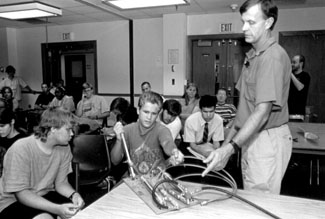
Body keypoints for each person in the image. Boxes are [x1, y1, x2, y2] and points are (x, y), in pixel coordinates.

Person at [203, 0, 292, 195]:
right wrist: (225, 149)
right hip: (251, 135)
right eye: (243, 21)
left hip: (267, 137)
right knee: (251, 193)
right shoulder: (252, 56)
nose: (244, 28)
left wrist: (228, 150)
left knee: (261, 200)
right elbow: (243, 111)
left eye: (251, 22)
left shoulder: (272, 57)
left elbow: (262, 113)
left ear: (268, 23)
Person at [0, 108, 84, 218]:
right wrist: (57, 209)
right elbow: (22, 194)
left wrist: (74, 195)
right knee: (45, 217)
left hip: (44, 195)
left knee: (77, 214)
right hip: (12, 202)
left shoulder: (64, 148)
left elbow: (61, 183)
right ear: (53, 128)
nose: (72, 134)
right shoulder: (21, 148)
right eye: (68, 130)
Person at [110, 91, 184, 175]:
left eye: (153, 113)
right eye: (146, 112)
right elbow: (115, 161)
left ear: (158, 114)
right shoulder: (127, 130)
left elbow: (167, 143)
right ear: (138, 110)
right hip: (135, 178)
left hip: (157, 178)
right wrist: (119, 140)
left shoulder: (162, 130)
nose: (149, 117)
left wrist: (174, 151)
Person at [0, 108, 27, 177]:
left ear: (12, 121)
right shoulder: (1, 138)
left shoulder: (22, 141)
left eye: (2, 126)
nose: (0, 130)